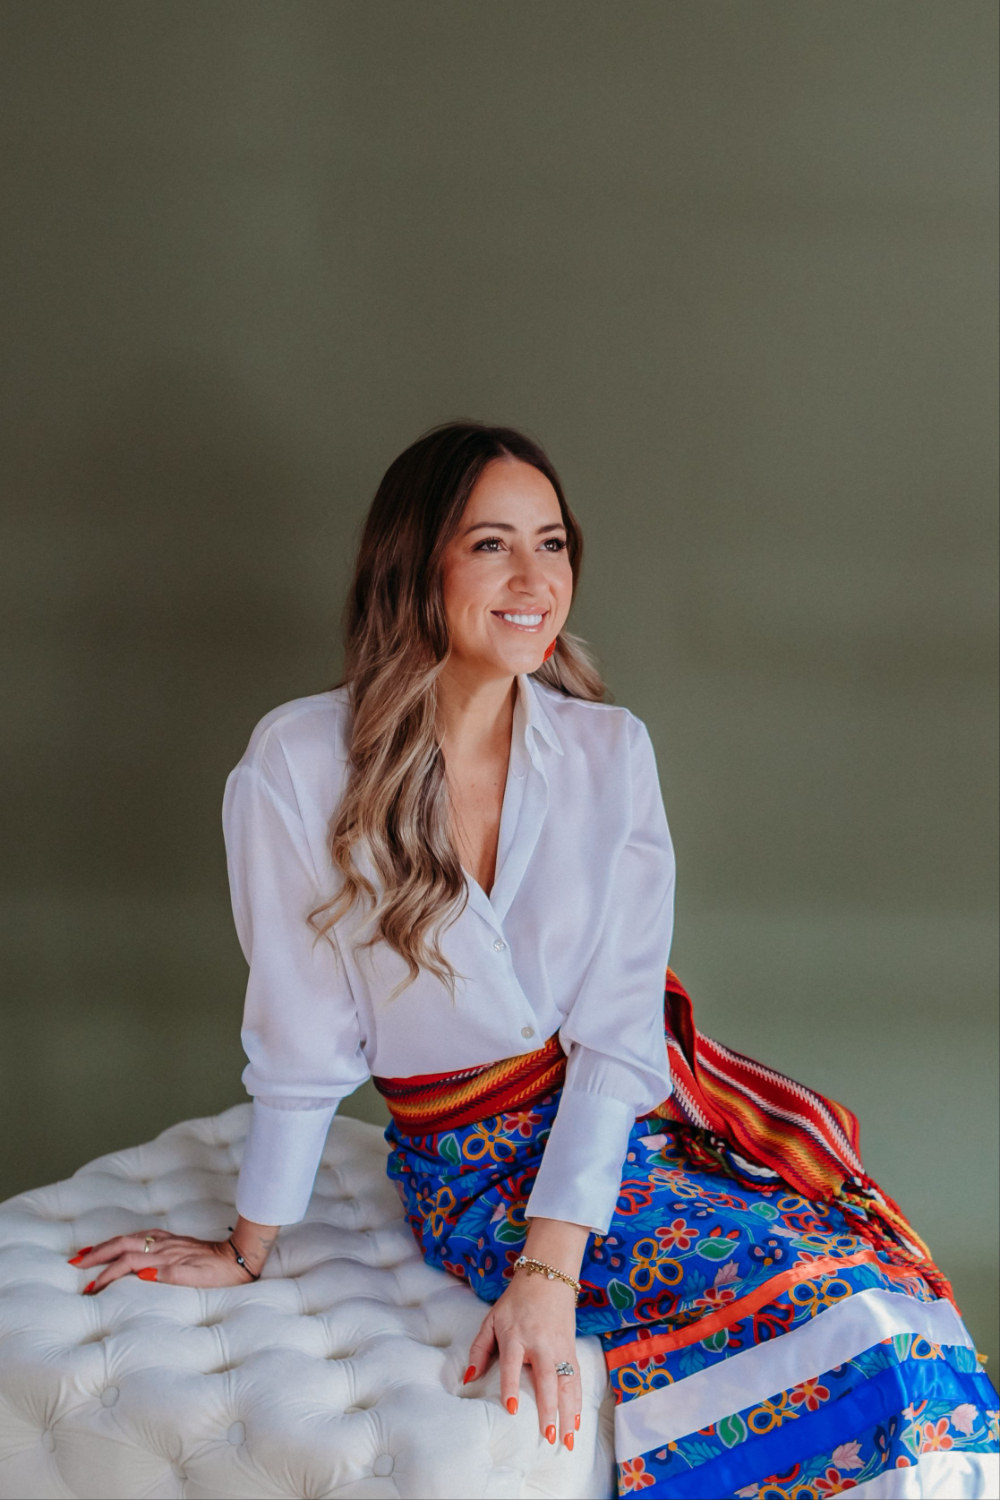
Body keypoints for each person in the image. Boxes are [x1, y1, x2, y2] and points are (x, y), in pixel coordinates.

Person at [68, 423, 998, 1498]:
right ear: (414, 566)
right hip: (475, 1171)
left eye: (552, 544)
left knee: (885, 1283)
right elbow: (303, 1035)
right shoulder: (300, 761)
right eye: (491, 545)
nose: (534, 579)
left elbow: (617, 1030)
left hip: (633, 1123)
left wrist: (550, 1270)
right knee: (835, 1310)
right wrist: (248, 1246)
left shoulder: (611, 751)